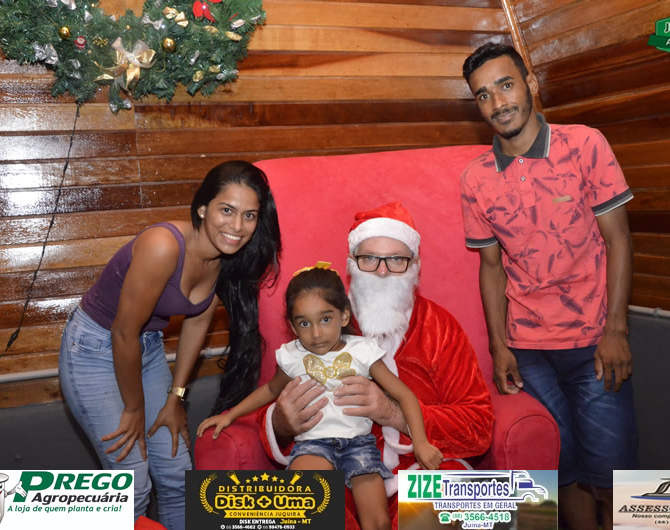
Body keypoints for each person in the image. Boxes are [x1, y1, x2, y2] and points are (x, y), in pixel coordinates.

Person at [459, 42, 638, 529]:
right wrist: (499, 347)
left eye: (506, 85)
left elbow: (618, 239)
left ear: (530, 84)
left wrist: (616, 330)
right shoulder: (475, 179)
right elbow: (491, 268)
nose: (498, 103)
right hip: (528, 354)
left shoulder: (585, 144)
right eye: (483, 95)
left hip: (594, 344)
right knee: (560, 478)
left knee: (614, 480)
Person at [58, 161, 281, 530]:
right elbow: (123, 332)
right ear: (202, 209)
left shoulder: (224, 257)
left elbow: (197, 322)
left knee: (177, 470)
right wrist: (135, 408)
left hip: (145, 349)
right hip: (94, 349)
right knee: (131, 481)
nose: (238, 226)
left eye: (249, 215)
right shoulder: (163, 245)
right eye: (227, 210)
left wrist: (175, 399)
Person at [257, 202, 495, 530]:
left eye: (397, 259)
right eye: (369, 258)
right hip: (333, 468)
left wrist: (393, 413)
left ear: (415, 265)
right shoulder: (320, 323)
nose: (382, 271)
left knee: (499, 504)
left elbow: (479, 426)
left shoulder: (440, 326)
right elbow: (272, 391)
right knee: (252, 506)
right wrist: (281, 422)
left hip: (422, 472)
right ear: (351, 263)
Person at [199, 263, 443, 529]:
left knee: (379, 522)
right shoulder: (293, 356)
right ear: (293, 327)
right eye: (304, 323)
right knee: (305, 506)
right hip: (313, 445)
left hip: (359, 445)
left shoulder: (363, 351)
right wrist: (230, 415)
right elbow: (270, 390)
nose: (316, 334)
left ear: (344, 315)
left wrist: (420, 442)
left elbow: (404, 395)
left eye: (326, 319)